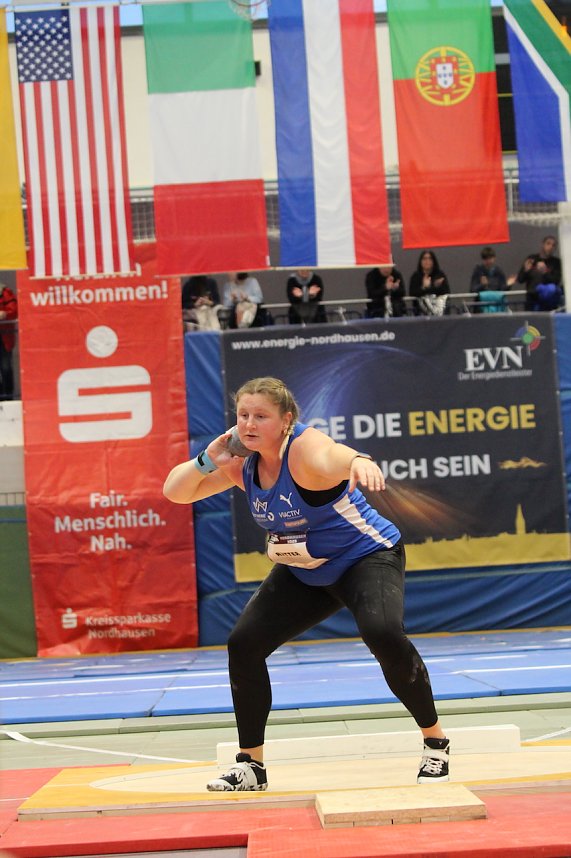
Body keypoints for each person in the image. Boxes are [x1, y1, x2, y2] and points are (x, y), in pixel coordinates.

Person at [164, 376, 449, 792]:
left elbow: (335, 455)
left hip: (364, 556)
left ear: (286, 421)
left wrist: (359, 461)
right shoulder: (241, 462)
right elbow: (176, 493)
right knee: (244, 644)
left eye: (261, 416)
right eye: (242, 415)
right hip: (306, 570)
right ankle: (251, 766)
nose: (249, 424)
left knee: (382, 632)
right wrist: (206, 461)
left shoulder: (303, 451)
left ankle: (435, 742)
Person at [511, 236, 563, 311]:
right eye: (548, 244)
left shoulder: (556, 262)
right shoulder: (532, 259)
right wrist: (526, 270)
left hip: (548, 301)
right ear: (543, 244)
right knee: (532, 321)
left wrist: (545, 272)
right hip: (532, 299)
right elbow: (520, 279)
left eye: (553, 245)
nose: (551, 247)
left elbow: (556, 281)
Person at [408, 251, 450, 316]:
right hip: (420, 312)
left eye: (430, 258)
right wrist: (424, 287)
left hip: (439, 311)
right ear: (420, 261)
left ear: (433, 261)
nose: (427, 261)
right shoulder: (416, 276)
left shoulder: (440, 274)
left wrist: (432, 287)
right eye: (424, 259)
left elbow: (446, 291)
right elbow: (412, 293)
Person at [0, 283, 18, 401]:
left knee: (5, 367)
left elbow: (14, 310)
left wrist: (4, 313)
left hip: (4, 336)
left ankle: (8, 396)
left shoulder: (5, 292)